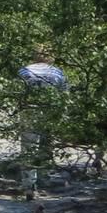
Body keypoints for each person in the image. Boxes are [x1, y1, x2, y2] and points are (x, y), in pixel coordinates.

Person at [17, 48, 68, 199]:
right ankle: (44, 179)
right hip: (50, 111)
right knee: (47, 146)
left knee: (29, 148)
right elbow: (65, 95)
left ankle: (29, 186)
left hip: (29, 110)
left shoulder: (24, 71)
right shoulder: (58, 72)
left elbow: (16, 93)